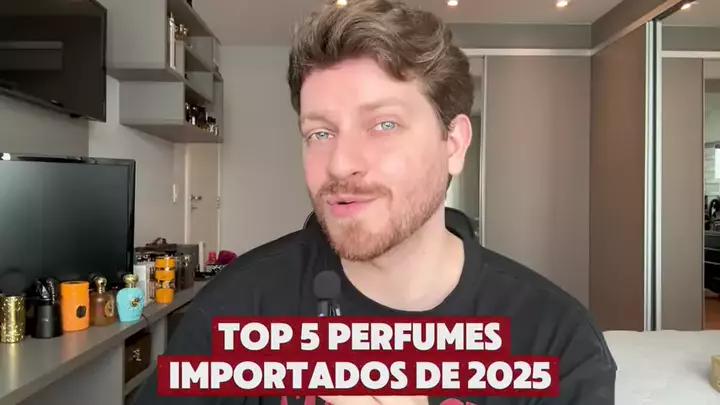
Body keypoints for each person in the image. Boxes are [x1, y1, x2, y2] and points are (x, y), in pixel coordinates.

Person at [133, 0, 616, 404]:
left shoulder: (554, 340)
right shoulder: (237, 309)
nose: (341, 164)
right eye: (320, 133)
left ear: (453, 144)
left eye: (384, 124)